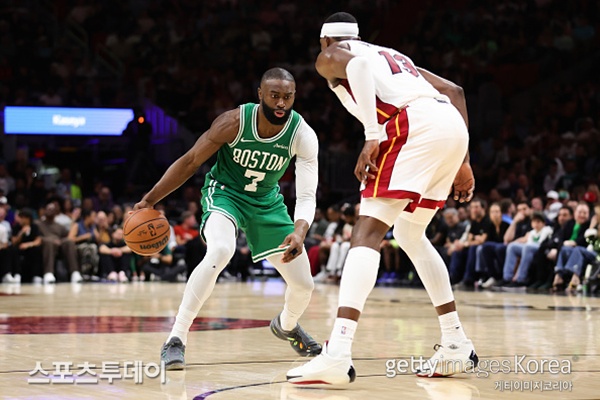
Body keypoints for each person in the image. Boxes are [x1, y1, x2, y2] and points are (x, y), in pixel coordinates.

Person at [287, 12, 477, 386]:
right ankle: (455, 341)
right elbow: (455, 92)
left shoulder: (331, 55)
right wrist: (465, 161)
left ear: (325, 40)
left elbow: (355, 66)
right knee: (409, 234)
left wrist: (372, 137)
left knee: (367, 232)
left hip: (413, 124)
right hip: (450, 125)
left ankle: (338, 352)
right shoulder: (391, 55)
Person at [133, 68, 321, 370]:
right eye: (274, 95)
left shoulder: (302, 134)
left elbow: (307, 194)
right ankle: (176, 338)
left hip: (266, 203)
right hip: (225, 194)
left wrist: (300, 231)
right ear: (260, 94)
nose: (281, 103)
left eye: (287, 97)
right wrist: (150, 199)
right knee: (221, 250)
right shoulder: (233, 122)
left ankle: (286, 326)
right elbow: (191, 161)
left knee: (304, 286)